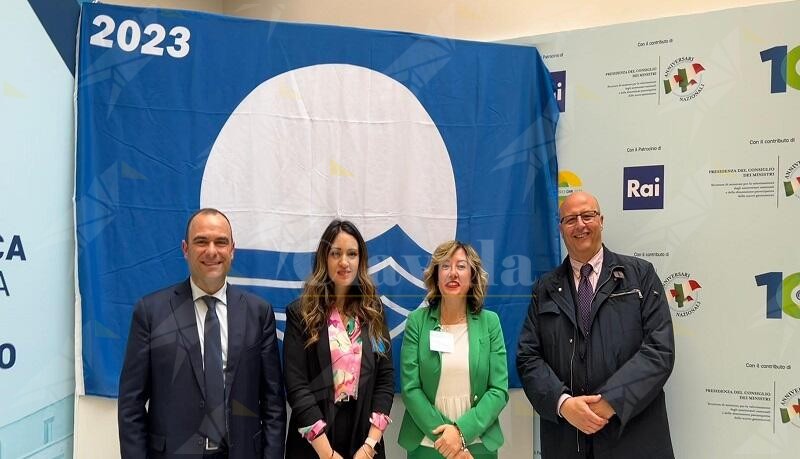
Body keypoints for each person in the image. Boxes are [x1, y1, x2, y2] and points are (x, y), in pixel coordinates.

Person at [516, 191, 675, 459]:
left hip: (632, 435)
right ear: (561, 228)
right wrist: (563, 404)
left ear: (601, 221)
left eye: (587, 216)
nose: (580, 224)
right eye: (570, 219)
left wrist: (609, 402)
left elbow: (659, 350)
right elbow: (528, 357)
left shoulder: (640, 275)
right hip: (567, 438)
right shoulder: (545, 288)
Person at [118, 208, 286, 459]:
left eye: (220, 242)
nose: (211, 251)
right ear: (185, 249)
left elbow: (273, 404)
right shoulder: (151, 313)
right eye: (201, 241)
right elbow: (131, 405)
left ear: (232, 251)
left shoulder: (258, 313)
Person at [283, 219, 394, 459]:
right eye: (336, 253)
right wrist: (327, 454)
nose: (344, 262)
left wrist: (369, 445)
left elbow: (385, 380)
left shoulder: (374, 311)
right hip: (314, 444)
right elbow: (297, 387)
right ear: (324, 258)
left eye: (352, 254)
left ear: (360, 260)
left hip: (364, 441)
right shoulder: (301, 313)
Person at [399, 240, 509, 459]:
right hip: (427, 443)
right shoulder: (417, 322)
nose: (453, 273)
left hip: (478, 443)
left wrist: (460, 433)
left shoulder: (490, 323)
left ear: (472, 276)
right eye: (445, 266)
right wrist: (447, 441)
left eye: (461, 266)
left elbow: (498, 390)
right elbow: (410, 389)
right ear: (436, 276)